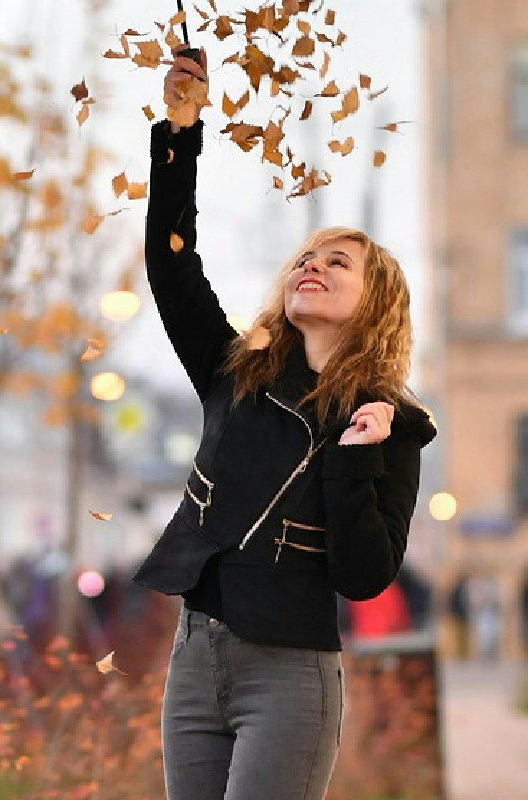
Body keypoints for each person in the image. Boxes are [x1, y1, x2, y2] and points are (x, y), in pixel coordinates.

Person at [132, 50, 437, 800]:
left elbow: (366, 578)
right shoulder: (235, 372)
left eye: (338, 263)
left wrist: (355, 458)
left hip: (290, 674)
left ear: (374, 304)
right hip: (196, 659)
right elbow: (174, 271)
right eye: (306, 256)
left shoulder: (387, 425)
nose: (313, 266)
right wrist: (181, 133)